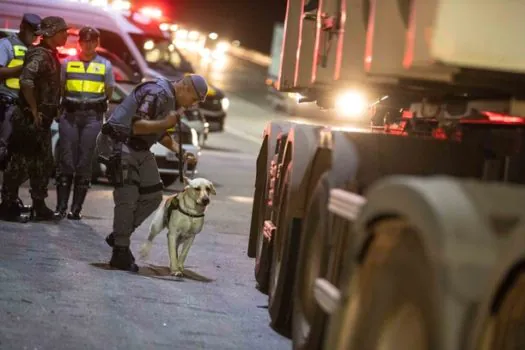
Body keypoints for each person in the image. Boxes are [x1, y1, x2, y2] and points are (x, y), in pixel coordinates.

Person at [97, 74, 207, 272]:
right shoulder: (157, 93)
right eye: (194, 99)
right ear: (186, 88)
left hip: (139, 148)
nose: (192, 105)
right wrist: (165, 123)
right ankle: (120, 251)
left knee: (154, 195)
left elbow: (159, 133)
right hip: (121, 144)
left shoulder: (171, 99)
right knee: (127, 197)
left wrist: (180, 152)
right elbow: (137, 126)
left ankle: (120, 234)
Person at [0, 17, 69, 222]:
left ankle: (39, 205)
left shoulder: (50, 55)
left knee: (43, 163)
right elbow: (26, 80)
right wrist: (33, 108)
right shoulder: (39, 54)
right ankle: (7, 205)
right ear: (50, 33)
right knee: (19, 162)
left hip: (42, 119)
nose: (66, 35)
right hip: (30, 118)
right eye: (62, 31)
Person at [55, 26, 115, 220]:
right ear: (79, 42)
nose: (88, 45)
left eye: (92, 41)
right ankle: (61, 207)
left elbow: (109, 90)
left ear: (97, 43)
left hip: (92, 117)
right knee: (66, 160)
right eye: (84, 41)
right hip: (70, 115)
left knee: (85, 161)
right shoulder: (67, 63)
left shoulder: (105, 65)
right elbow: (60, 88)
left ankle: (76, 210)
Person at [0, 14, 41, 216]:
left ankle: (9, 199)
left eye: (36, 33)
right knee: (3, 153)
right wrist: (23, 68)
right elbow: (1, 72)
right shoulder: (6, 45)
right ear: (23, 27)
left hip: (23, 109)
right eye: (32, 32)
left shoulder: (34, 50)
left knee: (17, 159)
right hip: (7, 105)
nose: (34, 37)